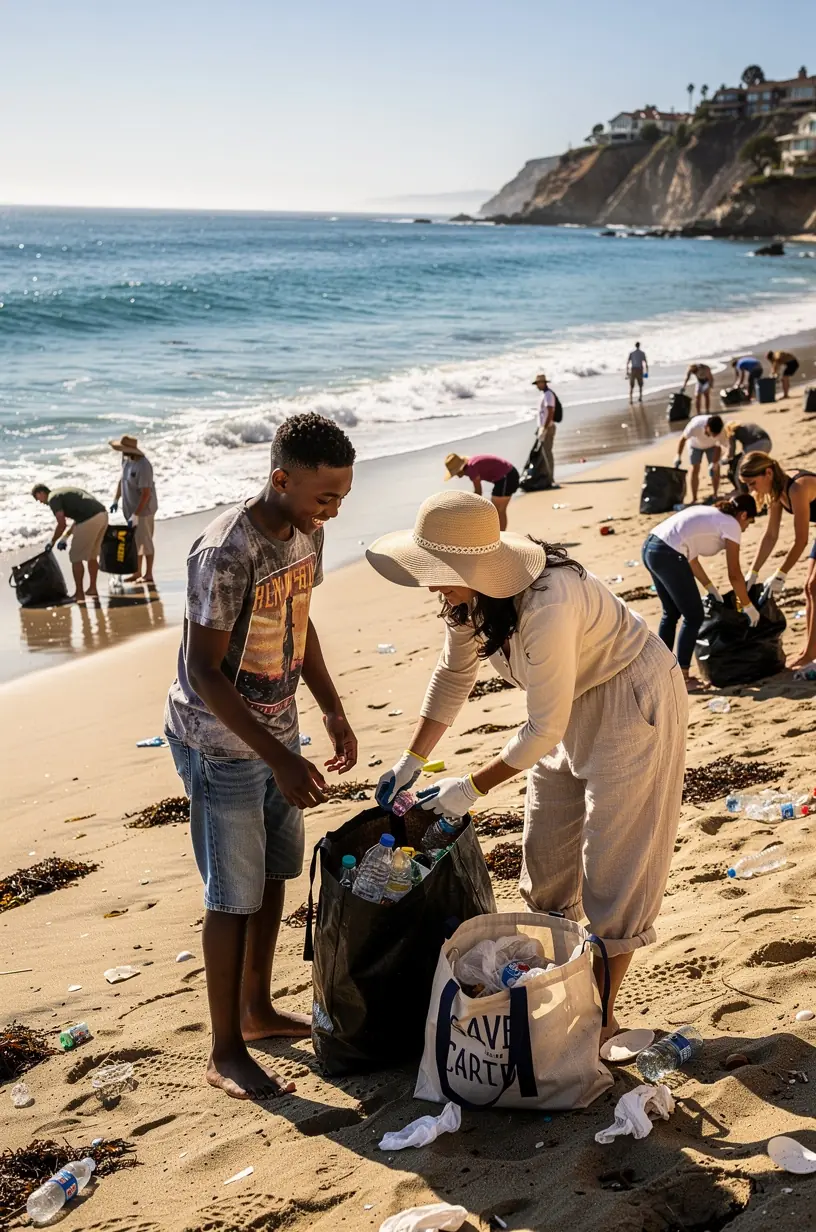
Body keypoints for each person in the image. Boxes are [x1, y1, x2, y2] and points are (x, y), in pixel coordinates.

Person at [366, 490, 687, 1044]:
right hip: (565, 706)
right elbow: (454, 675)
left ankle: (599, 1019)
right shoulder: (467, 601)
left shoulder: (548, 603)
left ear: (473, 567)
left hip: (630, 694)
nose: (431, 584)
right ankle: (559, 988)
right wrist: (412, 758)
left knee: (615, 861)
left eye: (437, 572)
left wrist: (467, 789)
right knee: (547, 859)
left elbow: (542, 731)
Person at [164, 413, 357, 1100]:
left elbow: (299, 623)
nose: (332, 511)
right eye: (322, 498)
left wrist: (332, 708)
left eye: (340, 497)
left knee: (275, 874)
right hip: (221, 744)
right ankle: (223, 1051)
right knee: (231, 896)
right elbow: (205, 672)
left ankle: (256, 1010)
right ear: (281, 478)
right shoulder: (225, 551)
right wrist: (277, 757)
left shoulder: (309, 533)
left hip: (280, 729)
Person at [642, 496, 759, 693]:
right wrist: (748, 605)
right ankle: (684, 676)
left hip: (650, 548)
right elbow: (735, 574)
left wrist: (710, 587)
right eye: (749, 522)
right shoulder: (732, 525)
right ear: (744, 515)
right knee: (694, 615)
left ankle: (658, 671)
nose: (746, 527)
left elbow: (692, 558)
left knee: (670, 613)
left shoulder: (711, 515)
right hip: (668, 553)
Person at [740, 451, 816, 670]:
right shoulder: (776, 490)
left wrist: (781, 574)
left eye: (753, 483)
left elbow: (801, 540)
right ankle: (809, 649)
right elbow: (771, 535)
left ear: (768, 472)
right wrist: (753, 572)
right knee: (809, 589)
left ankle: (810, 653)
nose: (751, 490)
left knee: (813, 586)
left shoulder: (797, 488)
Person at [31, 483, 108, 603]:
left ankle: (79, 594)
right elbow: (79, 518)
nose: (40, 502)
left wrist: (52, 542)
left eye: (37, 498)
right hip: (102, 515)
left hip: (90, 519)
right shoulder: (63, 492)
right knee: (92, 556)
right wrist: (65, 537)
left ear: (41, 493)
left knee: (75, 557)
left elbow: (61, 523)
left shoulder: (53, 498)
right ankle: (92, 588)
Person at [109, 434, 158, 584]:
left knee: (145, 541)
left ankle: (148, 574)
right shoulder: (126, 461)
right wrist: (116, 499)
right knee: (135, 542)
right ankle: (137, 572)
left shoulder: (143, 465)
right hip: (130, 509)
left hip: (144, 510)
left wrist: (136, 514)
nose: (121, 452)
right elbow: (121, 481)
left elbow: (146, 493)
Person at [443, 452, 520, 530]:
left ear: (459, 470)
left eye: (455, 473)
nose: (457, 476)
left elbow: (478, 492)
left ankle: (502, 534)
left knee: (498, 510)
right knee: (498, 510)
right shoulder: (471, 464)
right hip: (506, 475)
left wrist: (466, 505)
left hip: (507, 476)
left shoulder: (471, 468)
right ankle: (501, 534)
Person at [673, 413, 727, 503]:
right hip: (694, 445)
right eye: (712, 433)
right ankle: (694, 498)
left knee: (716, 469)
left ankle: (715, 494)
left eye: (715, 434)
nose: (713, 436)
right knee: (695, 468)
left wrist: (714, 463)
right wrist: (678, 455)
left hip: (712, 447)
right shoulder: (695, 425)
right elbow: (683, 439)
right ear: (706, 426)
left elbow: (719, 446)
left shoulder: (721, 431)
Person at [724, 421, 772, 490]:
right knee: (760, 466)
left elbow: (731, 451)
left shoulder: (732, 431)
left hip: (754, 445)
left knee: (740, 469)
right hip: (767, 443)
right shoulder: (748, 424)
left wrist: (725, 459)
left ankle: (740, 490)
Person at [532, 373, 558, 488]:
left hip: (547, 427)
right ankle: (545, 477)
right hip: (543, 427)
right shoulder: (544, 395)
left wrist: (545, 427)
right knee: (543, 454)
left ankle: (550, 478)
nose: (537, 386)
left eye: (539, 383)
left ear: (544, 383)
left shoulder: (548, 395)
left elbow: (550, 411)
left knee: (547, 453)